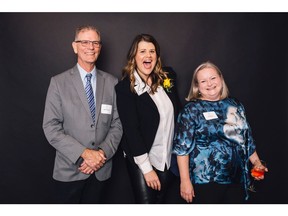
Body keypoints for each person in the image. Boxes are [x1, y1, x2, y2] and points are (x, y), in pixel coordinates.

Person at [42, 25, 122, 204]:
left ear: (100, 47)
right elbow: (50, 127)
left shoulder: (111, 82)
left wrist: (101, 154)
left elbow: (117, 124)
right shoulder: (58, 83)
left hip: (101, 171)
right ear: (75, 46)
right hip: (70, 170)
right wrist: (85, 154)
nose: (90, 47)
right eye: (84, 42)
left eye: (95, 42)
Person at [172, 61, 268, 204]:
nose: (209, 84)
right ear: (197, 86)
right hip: (204, 182)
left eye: (213, 78)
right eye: (203, 81)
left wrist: (257, 163)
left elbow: (246, 140)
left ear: (221, 79)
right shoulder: (191, 110)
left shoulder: (235, 105)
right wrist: (185, 181)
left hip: (236, 180)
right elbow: (182, 150)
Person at [115, 34, 181, 204]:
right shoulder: (125, 88)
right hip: (142, 159)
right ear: (134, 57)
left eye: (152, 51)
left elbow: (178, 113)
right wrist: (146, 169)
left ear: (157, 56)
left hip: (167, 157)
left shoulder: (167, 77)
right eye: (142, 51)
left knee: (161, 202)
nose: (148, 55)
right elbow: (131, 130)